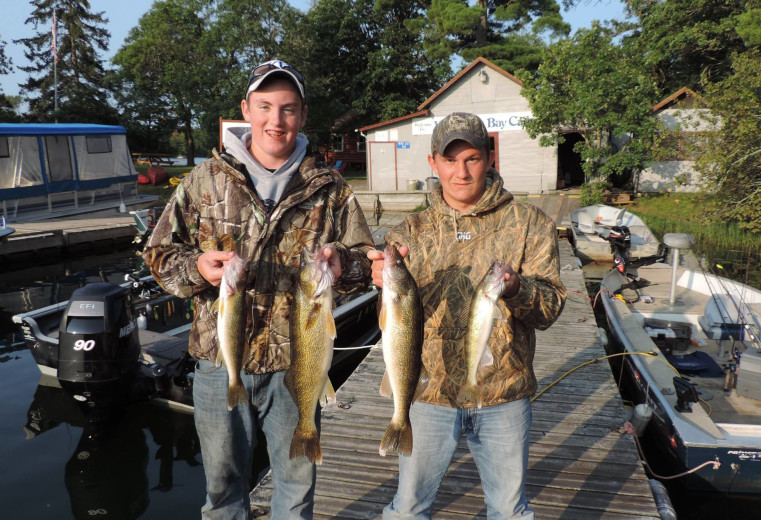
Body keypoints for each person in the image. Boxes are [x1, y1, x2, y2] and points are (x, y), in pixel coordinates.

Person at [143, 59, 374, 519]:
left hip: (299, 365)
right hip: (220, 365)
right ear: (246, 109)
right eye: (265, 106)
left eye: (288, 109)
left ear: (303, 115)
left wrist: (342, 262)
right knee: (223, 492)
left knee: (296, 489)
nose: (276, 120)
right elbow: (159, 255)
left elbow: (364, 266)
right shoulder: (204, 180)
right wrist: (198, 268)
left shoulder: (330, 189)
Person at [367, 112, 567, 519]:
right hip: (426, 396)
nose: (461, 171)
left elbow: (549, 309)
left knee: (509, 510)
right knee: (407, 508)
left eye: (472, 158)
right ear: (433, 164)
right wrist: (381, 286)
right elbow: (389, 322)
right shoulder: (409, 232)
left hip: (504, 394)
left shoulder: (530, 224)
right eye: (450, 160)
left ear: (490, 158)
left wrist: (516, 289)